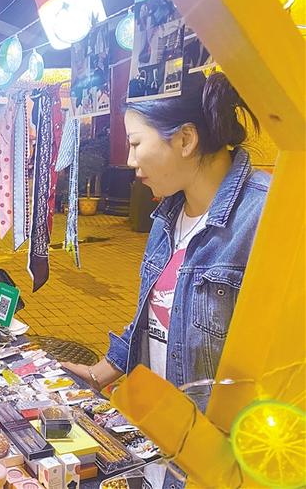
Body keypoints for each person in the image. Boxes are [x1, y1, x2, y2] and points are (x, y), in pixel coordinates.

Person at [63, 71, 270, 488]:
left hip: (221, 466)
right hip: (160, 445)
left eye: (136, 143)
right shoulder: (167, 215)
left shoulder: (267, 215)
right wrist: (102, 372)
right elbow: (156, 318)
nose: (130, 161)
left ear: (186, 139)